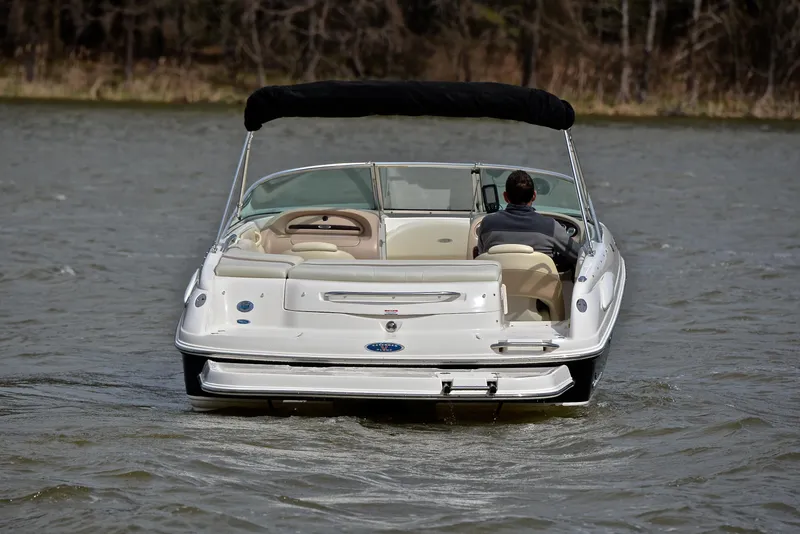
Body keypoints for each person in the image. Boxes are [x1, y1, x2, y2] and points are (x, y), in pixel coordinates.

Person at [477, 170, 580, 272]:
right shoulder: (550, 226)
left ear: (505, 197)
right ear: (534, 196)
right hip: (540, 283)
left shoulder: (487, 224)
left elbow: (482, 256)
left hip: (498, 283)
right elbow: (579, 255)